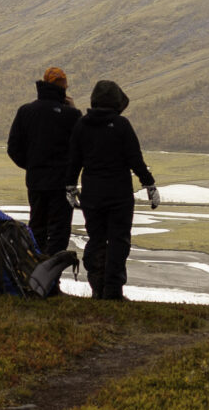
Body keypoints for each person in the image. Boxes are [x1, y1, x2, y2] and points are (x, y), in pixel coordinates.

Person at [63, 79, 155, 301]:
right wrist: (149, 183)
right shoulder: (121, 125)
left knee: (96, 239)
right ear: (116, 101)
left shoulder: (82, 125)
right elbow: (135, 159)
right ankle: (113, 291)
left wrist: (70, 186)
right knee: (119, 240)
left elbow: (74, 159)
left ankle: (97, 288)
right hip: (119, 193)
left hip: (92, 193)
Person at [4, 68, 82, 256]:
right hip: (61, 184)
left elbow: (13, 148)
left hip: (36, 181)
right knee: (59, 233)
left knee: (37, 228)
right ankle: (51, 280)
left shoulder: (26, 111)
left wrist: (32, 165)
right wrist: (74, 110)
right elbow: (82, 147)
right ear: (62, 86)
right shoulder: (71, 116)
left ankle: (35, 276)